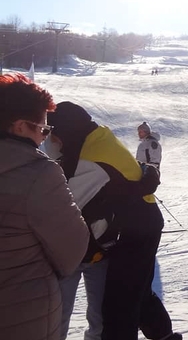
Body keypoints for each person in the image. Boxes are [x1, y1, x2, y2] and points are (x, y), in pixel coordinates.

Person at [47, 101, 180, 340]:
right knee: (134, 291)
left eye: (51, 133)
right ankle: (164, 335)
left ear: (65, 131)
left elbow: (65, 208)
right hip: (136, 224)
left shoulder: (86, 159)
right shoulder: (97, 138)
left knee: (120, 302)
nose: (49, 140)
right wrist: (147, 176)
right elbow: (127, 171)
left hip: (134, 230)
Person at [0, 74, 89, 340]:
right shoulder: (39, 173)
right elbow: (72, 250)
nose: (43, 138)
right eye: (43, 130)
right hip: (19, 313)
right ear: (19, 127)